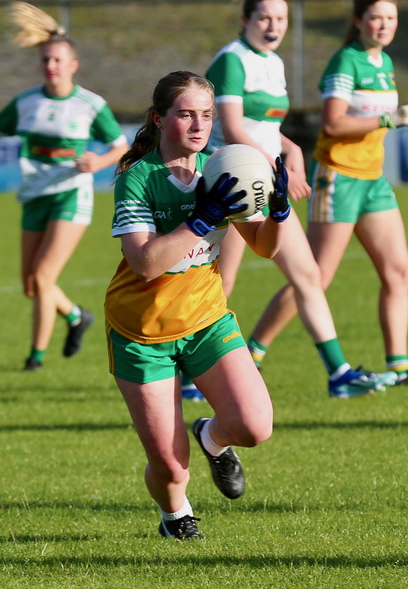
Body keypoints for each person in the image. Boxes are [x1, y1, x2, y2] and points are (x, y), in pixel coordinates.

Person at [104, 70, 289, 540]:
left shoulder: (223, 168)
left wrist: (280, 212)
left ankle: (213, 436)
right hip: (142, 333)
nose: (198, 124)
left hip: (206, 319)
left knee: (253, 426)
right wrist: (201, 220)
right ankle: (175, 516)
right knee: (169, 466)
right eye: (185, 113)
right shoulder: (137, 179)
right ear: (159, 118)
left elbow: (265, 246)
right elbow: (145, 263)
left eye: (206, 115)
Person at [201, 0, 391, 400]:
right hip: (232, 187)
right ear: (245, 20)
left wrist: (293, 152)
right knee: (223, 283)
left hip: (265, 182)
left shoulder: (273, 62)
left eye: (281, 19)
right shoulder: (232, 61)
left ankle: (338, 373)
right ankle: (192, 375)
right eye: (265, 18)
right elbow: (232, 129)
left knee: (308, 276)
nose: (274, 26)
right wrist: (274, 169)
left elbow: (267, 129)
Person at [253, 0, 408, 388]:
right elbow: (333, 124)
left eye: (391, 18)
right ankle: (253, 353)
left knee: (399, 272)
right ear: (359, 21)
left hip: (374, 181)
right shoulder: (345, 62)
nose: (384, 25)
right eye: (376, 17)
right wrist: (389, 120)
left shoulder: (383, 61)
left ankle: (400, 369)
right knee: (314, 277)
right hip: (338, 176)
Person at [0, 3, 128, 371]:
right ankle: (75, 316)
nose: (51, 66)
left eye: (58, 60)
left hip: (71, 193)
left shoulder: (90, 105)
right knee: (31, 285)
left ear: (73, 65)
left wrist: (99, 162)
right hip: (34, 195)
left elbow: (120, 146)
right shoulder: (27, 102)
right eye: (45, 60)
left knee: (43, 277)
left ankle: (35, 359)